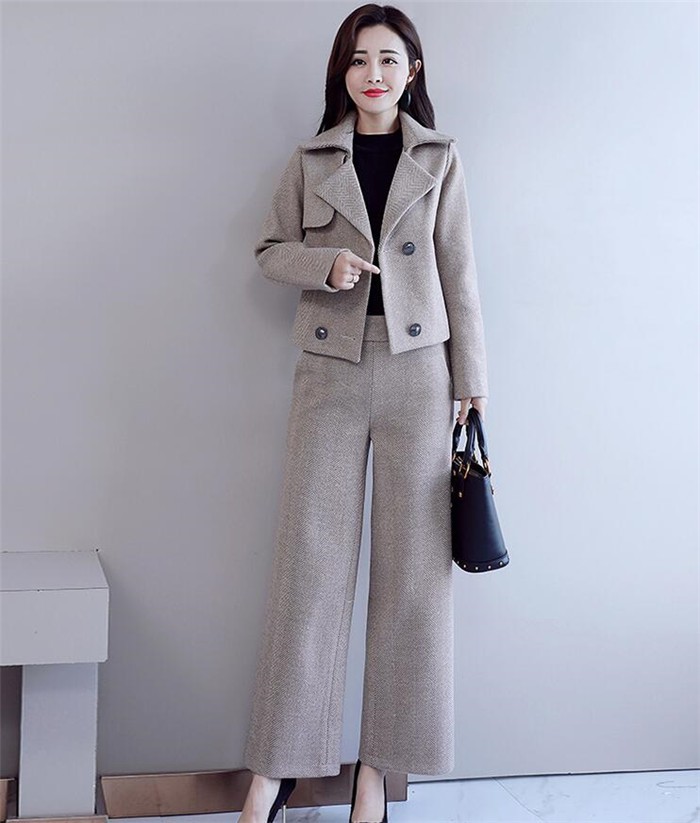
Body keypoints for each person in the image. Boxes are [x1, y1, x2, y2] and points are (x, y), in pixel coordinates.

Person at [239, 4, 489, 822]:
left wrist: (472, 379)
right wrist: (328, 264)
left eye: (386, 59)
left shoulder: (440, 157)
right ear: (341, 72)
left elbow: (460, 272)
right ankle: (275, 769)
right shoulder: (311, 159)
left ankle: (378, 771)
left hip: (421, 375)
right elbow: (269, 251)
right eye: (357, 59)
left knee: (413, 578)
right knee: (308, 573)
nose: (371, 73)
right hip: (331, 370)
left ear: (412, 71)